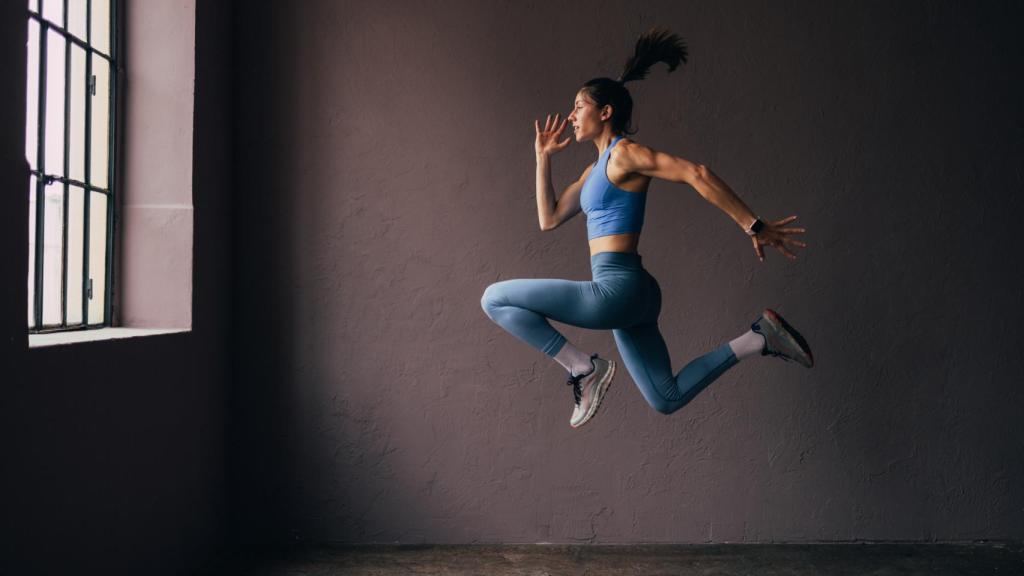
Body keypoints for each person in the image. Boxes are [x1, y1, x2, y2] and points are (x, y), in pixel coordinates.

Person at [481, 28, 813, 429]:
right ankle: (759, 338)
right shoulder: (592, 171)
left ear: (605, 112)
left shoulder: (625, 155)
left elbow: (696, 173)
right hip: (634, 293)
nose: (570, 115)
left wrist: (753, 225)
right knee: (665, 397)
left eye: (578, 106)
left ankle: (583, 369)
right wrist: (542, 158)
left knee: (494, 299)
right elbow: (548, 219)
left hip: (617, 290)